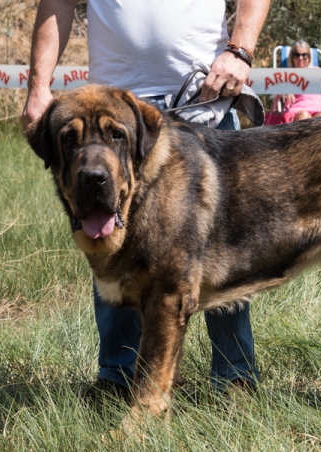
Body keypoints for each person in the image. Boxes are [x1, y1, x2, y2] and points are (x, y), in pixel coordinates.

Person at [22, 0, 270, 398]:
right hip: (113, 106)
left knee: (217, 249)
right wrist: (38, 87)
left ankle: (234, 378)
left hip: (205, 93)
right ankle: (118, 378)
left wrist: (240, 50)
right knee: (107, 238)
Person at [280, 40, 321, 121]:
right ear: (292, 57)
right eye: (297, 55)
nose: (300, 58)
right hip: (299, 109)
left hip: (319, 107)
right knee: (303, 116)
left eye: (304, 55)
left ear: (309, 58)